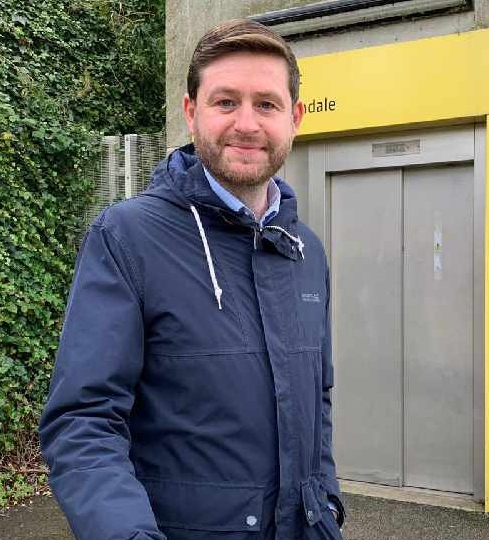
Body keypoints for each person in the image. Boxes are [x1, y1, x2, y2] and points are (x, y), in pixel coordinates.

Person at [38, 19, 345, 540]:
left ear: (294, 118)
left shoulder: (304, 250)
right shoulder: (127, 237)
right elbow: (83, 421)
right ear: (191, 112)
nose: (247, 123)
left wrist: (327, 503)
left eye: (266, 104)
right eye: (225, 102)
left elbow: (319, 398)